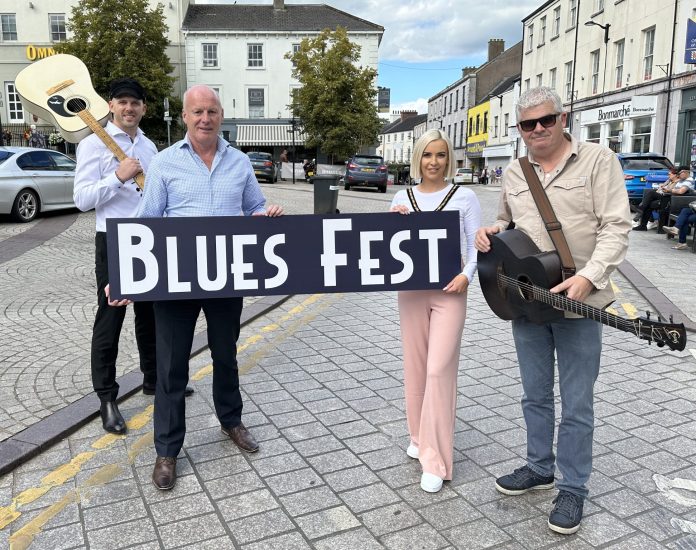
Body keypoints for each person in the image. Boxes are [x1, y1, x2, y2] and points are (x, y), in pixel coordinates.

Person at [474, 87, 631, 535]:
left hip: (580, 302)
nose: (539, 129)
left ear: (564, 119)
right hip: (528, 302)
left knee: (578, 403)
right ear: (520, 130)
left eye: (547, 120)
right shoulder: (515, 171)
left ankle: (574, 488)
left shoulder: (599, 160)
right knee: (535, 395)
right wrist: (492, 230)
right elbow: (509, 221)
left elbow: (617, 228)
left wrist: (590, 277)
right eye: (528, 124)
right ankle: (539, 467)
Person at [136, 85, 284, 491]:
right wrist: (122, 272)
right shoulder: (164, 163)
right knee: (170, 366)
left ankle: (231, 422)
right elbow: (144, 221)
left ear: (222, 115)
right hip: (176, 279)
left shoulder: (239, 162)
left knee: (226, 354)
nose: (205, 118)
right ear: (184, 116)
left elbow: (254, 206)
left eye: (212, 111)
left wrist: (265, 213)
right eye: (198, 111)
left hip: (226, 276)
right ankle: (167, 450)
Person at [73, 78, 193, 435]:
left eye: (135, 103)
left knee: (152, 315)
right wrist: (117, 177)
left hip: (150, 238)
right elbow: (81, 200)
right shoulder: (93, 145)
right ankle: (107, 399)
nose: (129, 108)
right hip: (113, 238)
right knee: (111, 316)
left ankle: (154, 380)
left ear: (143, 108)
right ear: (110, 106)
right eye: (122, 102)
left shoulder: (150, 146)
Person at [390, 129, 481, 493]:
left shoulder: (465, 196)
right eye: (427, 155)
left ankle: (436, 459)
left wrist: (466, 275)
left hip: (449, 291)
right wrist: (393, 220)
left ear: (449, 159)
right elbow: (387, 249)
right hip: (411, 291)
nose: (433, 162)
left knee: (439, 369)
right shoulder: (402, 195)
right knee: (415, 367)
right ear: (418, 158)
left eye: (441, 155)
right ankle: (417, 434)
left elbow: (476, 246)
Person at [633, 167, 694, 231]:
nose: (679, 175)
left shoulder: (688, 180)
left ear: (686, 172)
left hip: (673, 200)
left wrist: (668, 190)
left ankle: (641, 209)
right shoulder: (680, 180)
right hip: (669, 197)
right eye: (678, 173)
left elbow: (680, 191)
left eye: (680, 173)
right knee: (649, 203)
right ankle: (643, 225)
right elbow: (671, 188)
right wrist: (667, 184)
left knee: (650, 193)